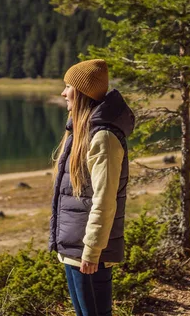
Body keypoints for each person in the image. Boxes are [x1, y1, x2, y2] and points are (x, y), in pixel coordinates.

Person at [49, 59, 135, 316]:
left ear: (83, 93)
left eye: (68, 87)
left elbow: (105, 201)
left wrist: (92, 250)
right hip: (75, 250)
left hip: (88, 253)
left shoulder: (103, 138)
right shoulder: (81, 132)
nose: (63, 93)